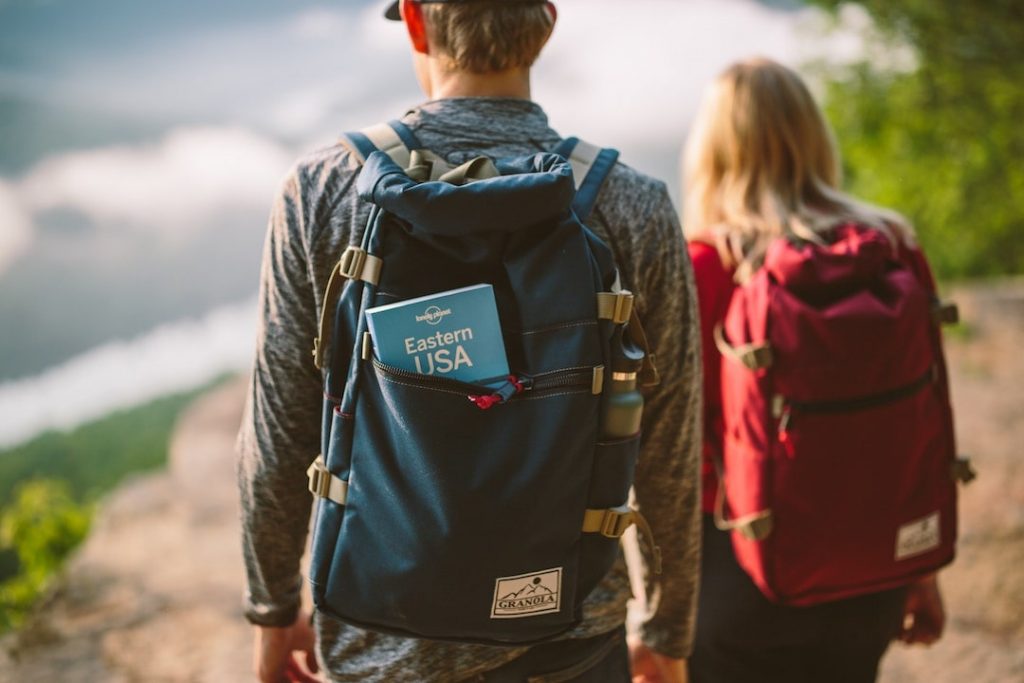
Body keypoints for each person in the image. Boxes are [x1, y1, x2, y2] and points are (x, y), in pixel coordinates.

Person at [236, 1, 703, 681]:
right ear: (543, 24)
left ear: (418, 22)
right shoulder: (632, 204)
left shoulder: (323, 191)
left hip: (378, 643)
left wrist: (273, 611)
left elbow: (277, 436)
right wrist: (667, 629)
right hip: (569, 636)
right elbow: (668, 447)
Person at [681, 57, 947, 683]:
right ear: (813, 136)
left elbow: (674, 448)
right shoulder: (891, 246)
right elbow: (921, 420)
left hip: (738, 572)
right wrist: (920, 569)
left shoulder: (704, 262)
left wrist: (657, 619)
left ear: (714, 149)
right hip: (873, 566)